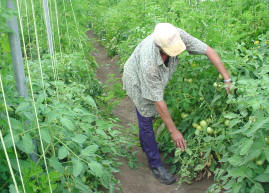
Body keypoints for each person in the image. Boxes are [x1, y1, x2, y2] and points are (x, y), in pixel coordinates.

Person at [122, 23, 231, 185]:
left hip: (152, 79)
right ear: (161, 49)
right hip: (137, 80)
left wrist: (227, 78)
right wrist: (174, 132)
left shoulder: (175, 35)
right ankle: (155, 164)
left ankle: (146, 142)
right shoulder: (149, 63)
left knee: (149, 118)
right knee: (146, 116)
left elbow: (209, 51)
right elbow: (158, 101)